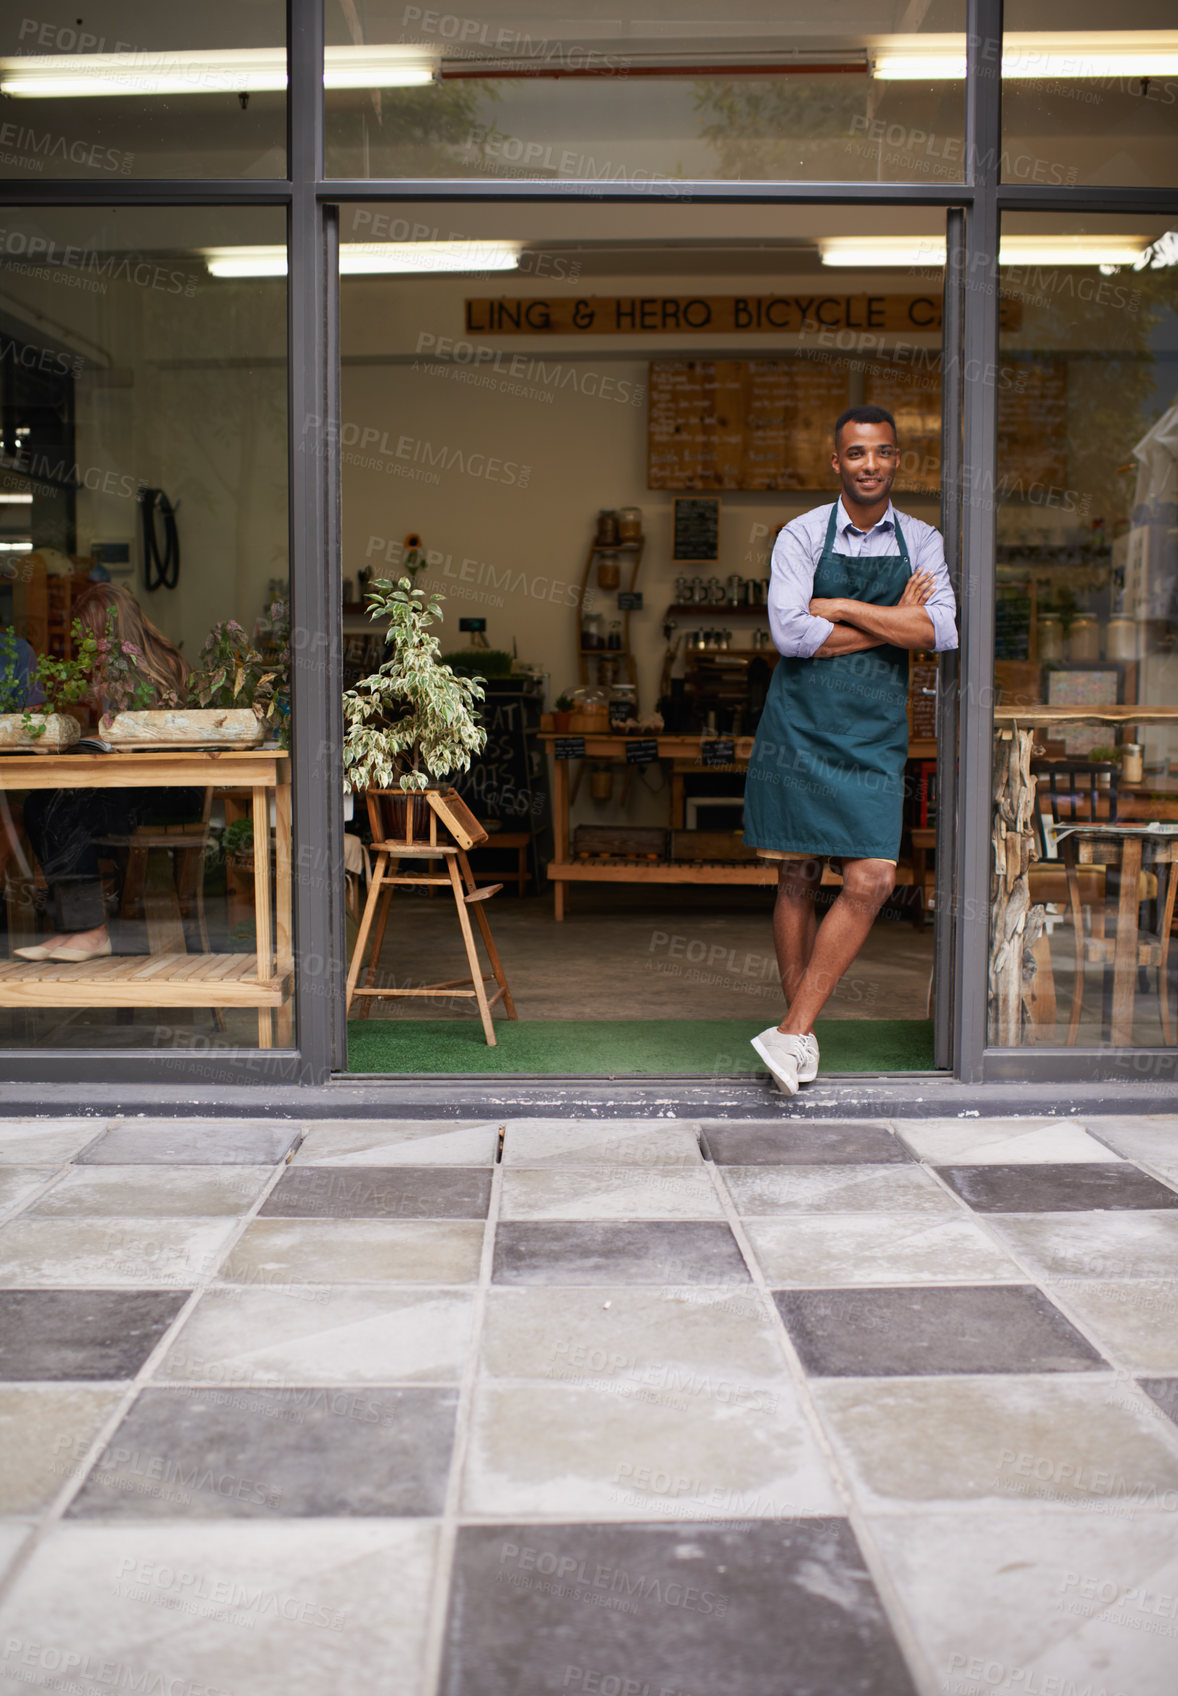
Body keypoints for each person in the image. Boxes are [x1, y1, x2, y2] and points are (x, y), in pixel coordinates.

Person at [743, 405, 959, 1094]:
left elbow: (940, 631)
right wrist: (893, 615)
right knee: (798, 878)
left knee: (871, 879)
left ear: (897, 461)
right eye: (857, 453)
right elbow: (792, 636)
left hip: (872, 734)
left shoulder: (925, 539)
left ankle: (794, 1032)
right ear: (836, 462)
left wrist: (837, 606)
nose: (870, 464)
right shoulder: (801, 535)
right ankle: (798, 1029)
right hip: (801, 726)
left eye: (883, 452)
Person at [16, 584, 191, 963]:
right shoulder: (118, 668)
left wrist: (104, 719)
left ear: (112, 629)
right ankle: (75, 928)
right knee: (39, 805)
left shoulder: (161, 665)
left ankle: (91, 931)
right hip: (129, 787)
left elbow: (147, 733)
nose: (88, 645)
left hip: (160, 793)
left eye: (91, 634)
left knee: (63, 810)